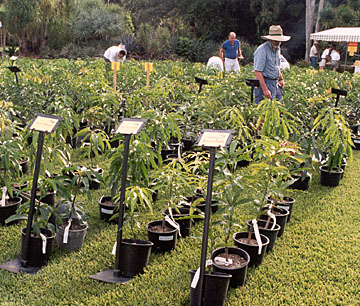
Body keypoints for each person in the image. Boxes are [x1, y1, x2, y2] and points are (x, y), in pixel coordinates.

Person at [253, 25, 291, 105]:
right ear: (270, 39)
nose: (277, 42)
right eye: (275, 40)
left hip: (275, 82)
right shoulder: (262, 50)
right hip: (265, 82)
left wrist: (281, 78)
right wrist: (265, 89)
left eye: (279, 40)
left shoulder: (277, 48)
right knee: (265, 111)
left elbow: (276, 65)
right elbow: (257, 71)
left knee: (280, 108)